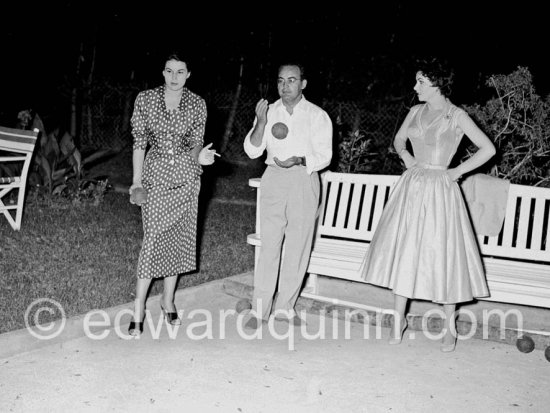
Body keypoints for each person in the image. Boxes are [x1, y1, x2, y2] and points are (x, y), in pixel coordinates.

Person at [359, 58, 496, 352]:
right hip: (412, 187)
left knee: (444, 255)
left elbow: (488, 149)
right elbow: (398, 140)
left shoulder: (456, 116)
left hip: (441, 192)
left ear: (438, 84)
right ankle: (399, 319)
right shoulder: (414, 111)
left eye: (421, 82)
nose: (415, 86)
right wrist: (406, 157)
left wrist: (456, 172)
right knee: (406, 251)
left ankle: (449, 326)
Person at [127, 52, 218, 337]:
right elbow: (139, 142)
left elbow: (195, 143)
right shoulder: (145, 99)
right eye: (169, 71)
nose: (174, 77)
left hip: (186, 179)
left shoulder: (197, 103)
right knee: (152, 238)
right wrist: (136, 182)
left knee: (177, 240)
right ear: (163, 72)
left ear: (189, 74)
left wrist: (199, 157)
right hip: (154, 178)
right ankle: (138, 306)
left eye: (180, 72)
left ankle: (168, 300)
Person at [243, 62, 333, 329]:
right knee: (269, 244)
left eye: (292, 80)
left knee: (297, 245)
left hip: (304, 178)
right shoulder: (268, 111)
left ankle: (285, 308)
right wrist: (260, 122)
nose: (285, 86)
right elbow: (251, 150)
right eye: (281, 81)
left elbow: (325, 155)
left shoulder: (317, 115)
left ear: (303, 84)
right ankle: (259, 310)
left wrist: (300, 159)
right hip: (273, 178)